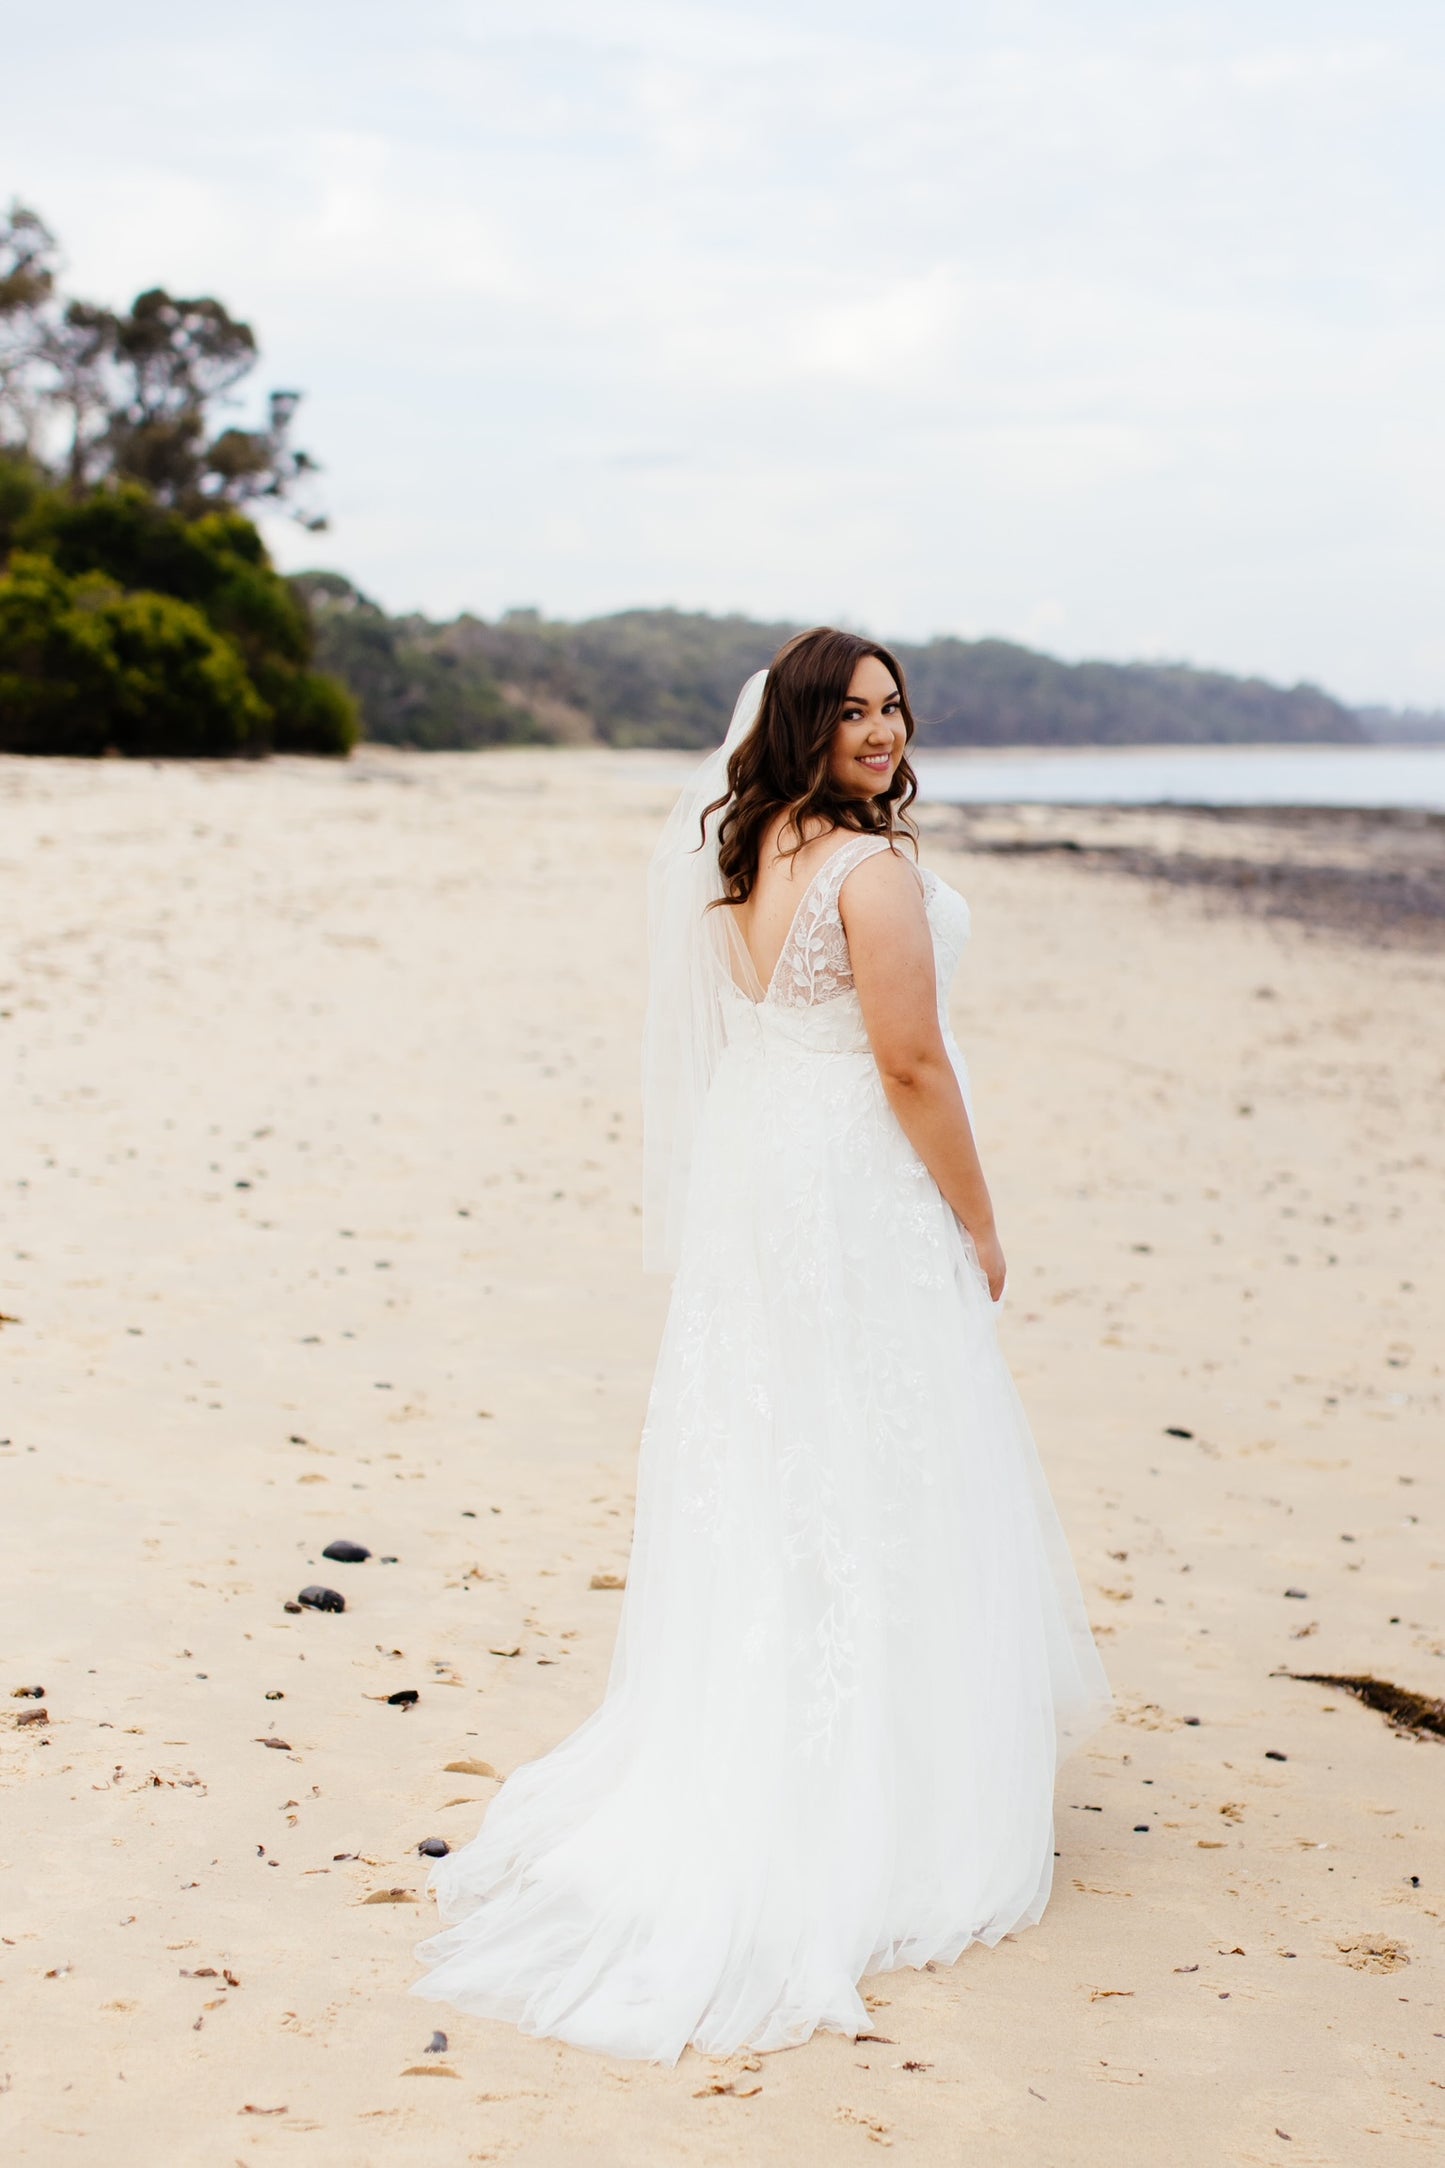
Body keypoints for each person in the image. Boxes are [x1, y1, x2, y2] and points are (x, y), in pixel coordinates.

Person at [413, 628, 1111, 2064]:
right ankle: (880, 1784)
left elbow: (783, 1026)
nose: (882, 727)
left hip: (764, 1172)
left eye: (893, 703)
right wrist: (977, 1220)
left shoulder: (749, 855)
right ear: (802, 723)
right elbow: (908, 1062)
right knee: (874, 1446)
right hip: (849, 1181)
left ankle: (773, 1720)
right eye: (851, 709)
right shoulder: (868, 871)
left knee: (783, 1448)